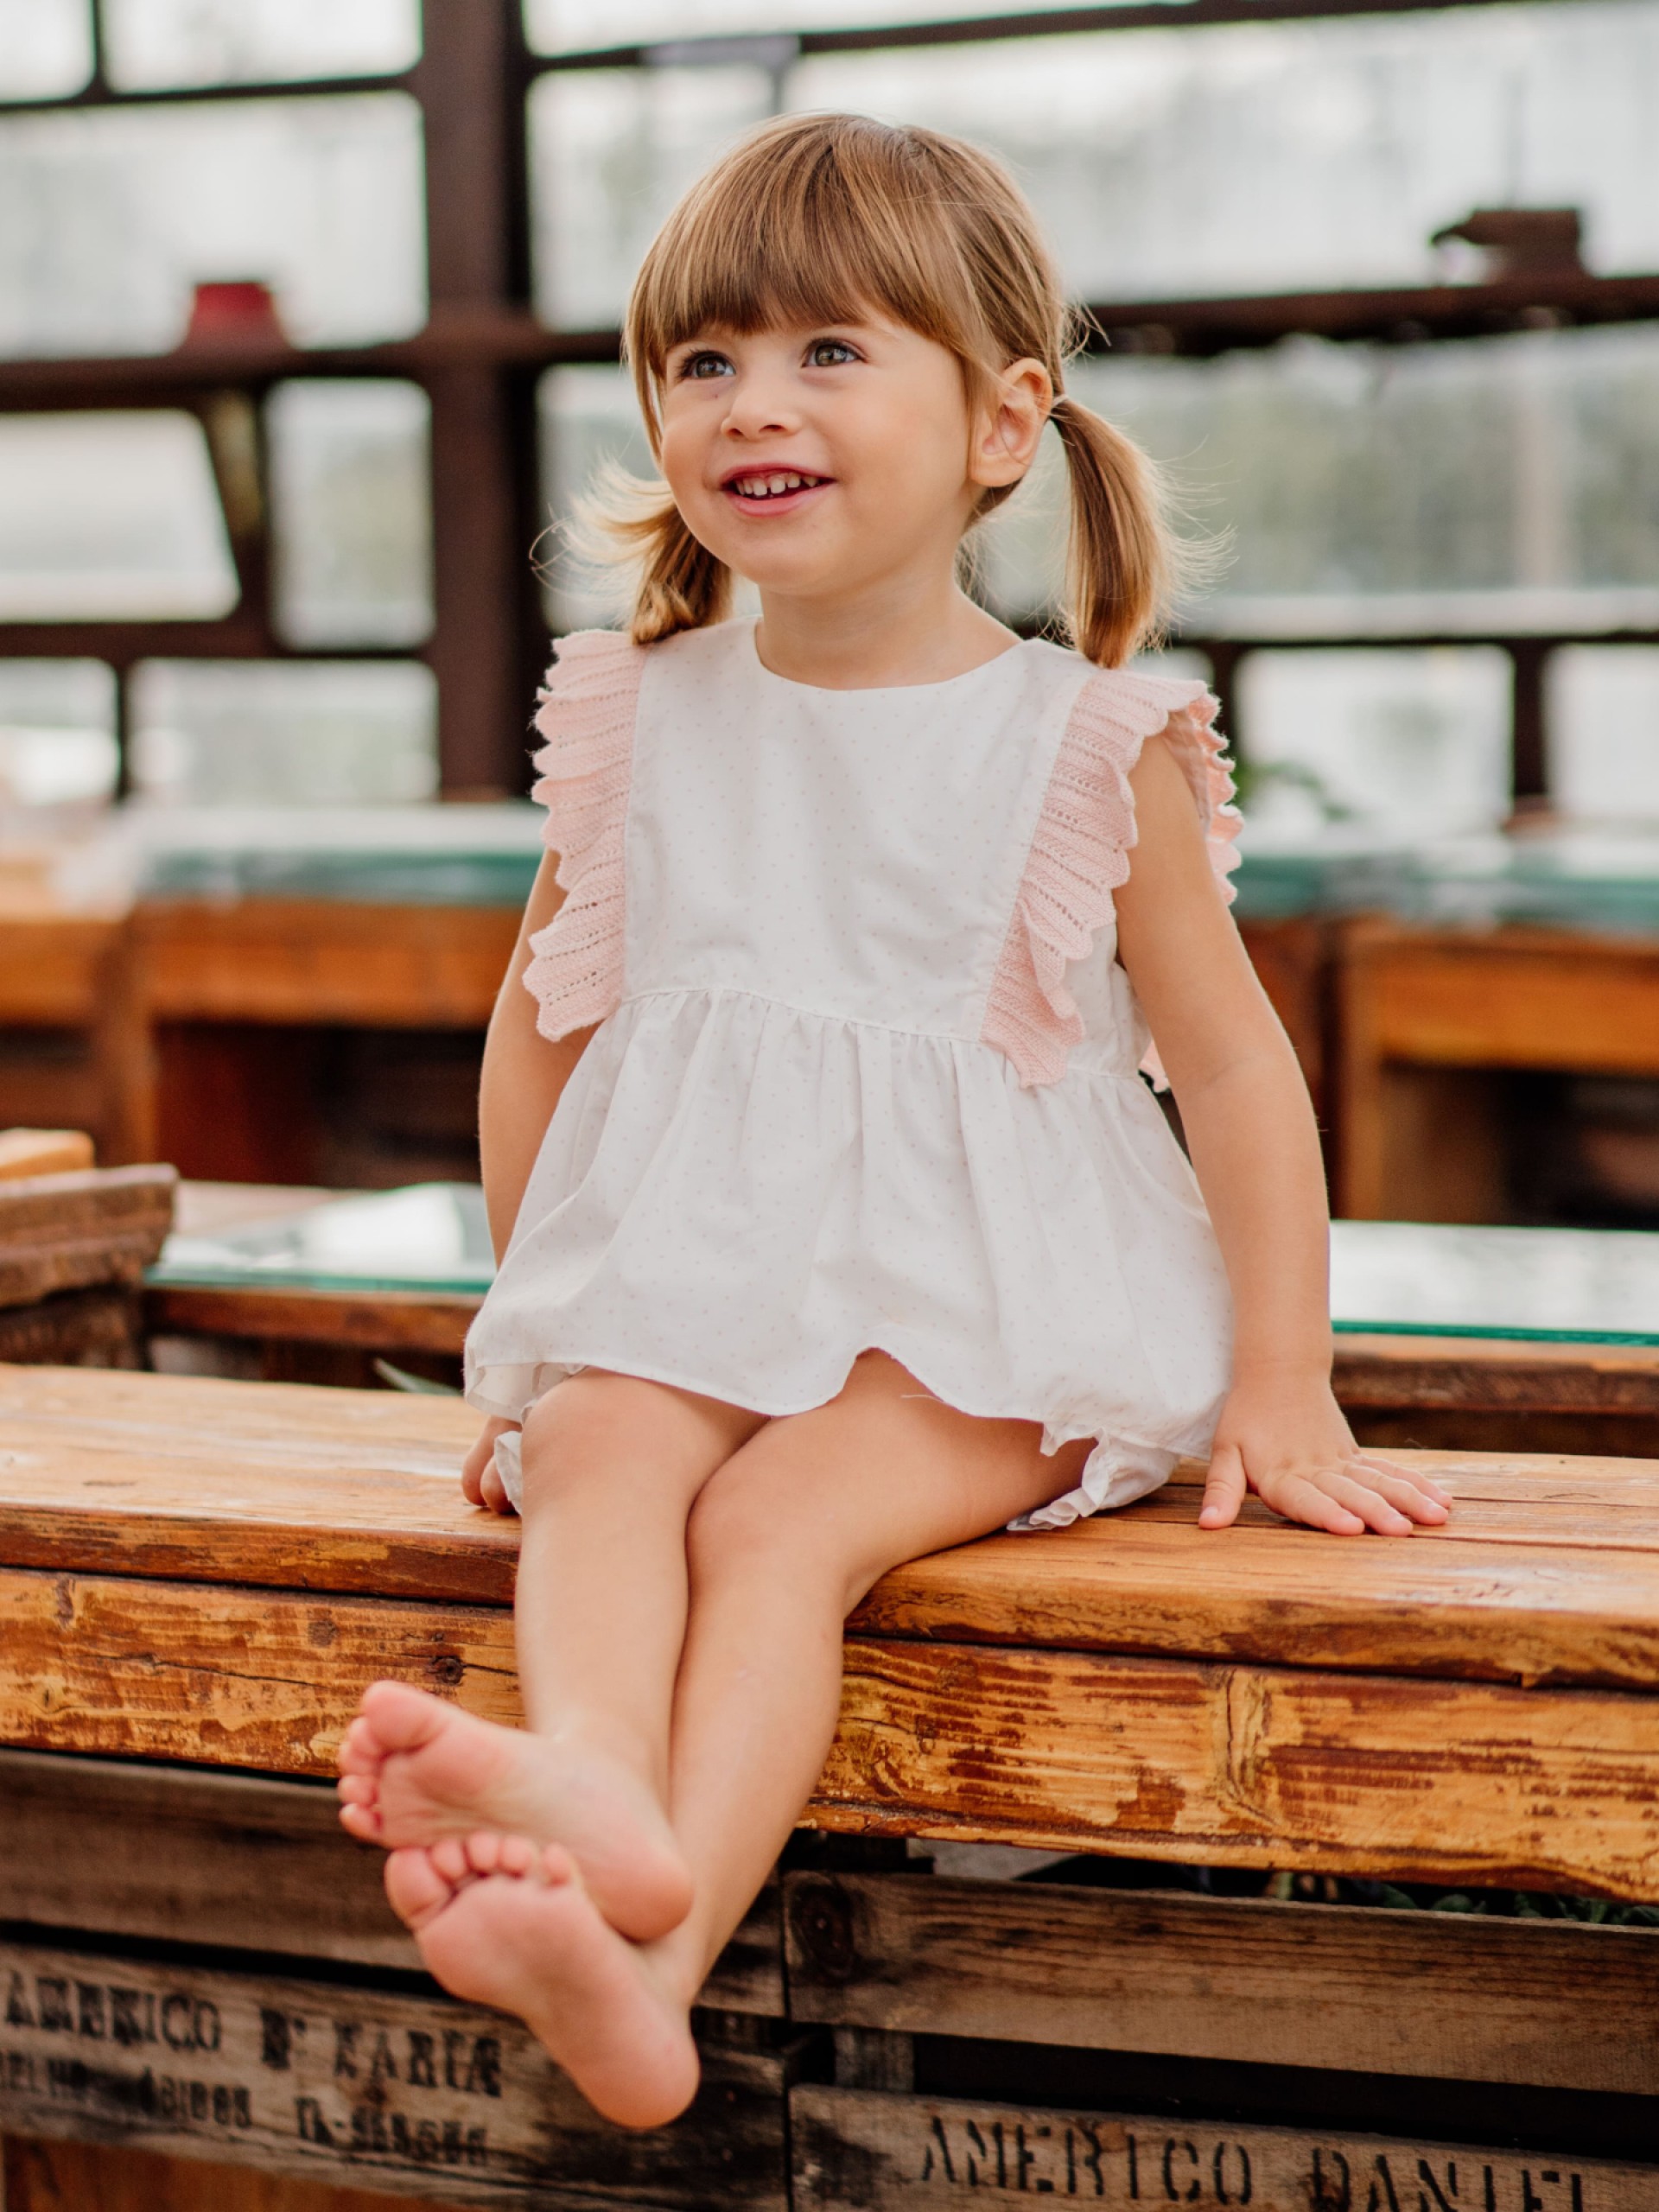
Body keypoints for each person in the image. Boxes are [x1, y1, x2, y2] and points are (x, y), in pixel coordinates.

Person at [335, 112, 1450, 2131]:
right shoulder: (636, 714)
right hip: (714, 1274)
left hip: (1005, 1307)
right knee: (599, 1443)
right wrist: (540, 1336)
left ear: (1003, 421)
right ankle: (600, 1798)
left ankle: (656, 1951)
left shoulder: (1081, 741)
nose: (754, 402)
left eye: (831, 350)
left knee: (777, 1520)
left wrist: (1285, 1376)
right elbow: (541, 1035)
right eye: (705, 359)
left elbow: (1233, 1069)